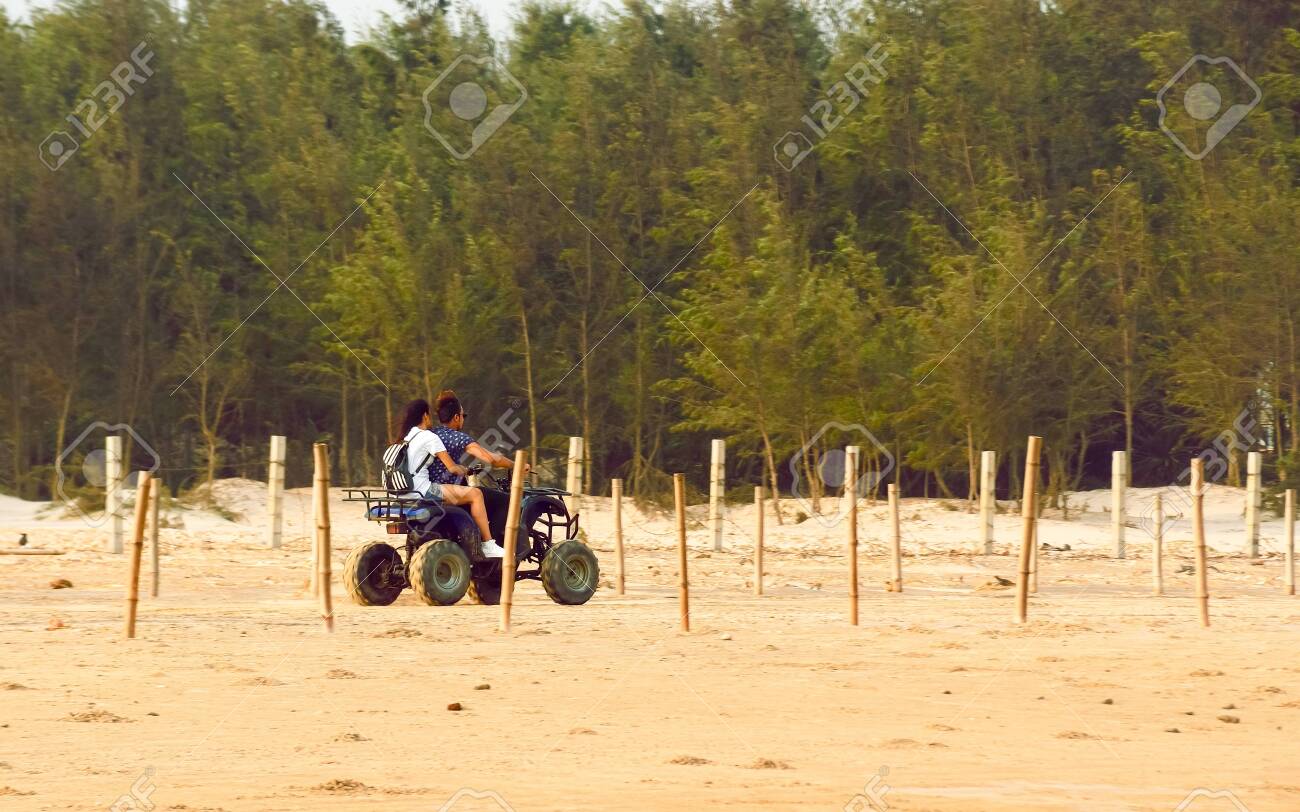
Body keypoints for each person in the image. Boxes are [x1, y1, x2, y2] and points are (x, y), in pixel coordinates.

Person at [392, 398, 504, 558]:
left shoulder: (407, 437)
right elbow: (452, 467)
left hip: (403, 494)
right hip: (424, 491)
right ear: (424, 416)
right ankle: (488, 545)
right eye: (429, 415)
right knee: (476, 494)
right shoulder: (430, 437)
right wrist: (464, 470)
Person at [429, 390, 530, 542]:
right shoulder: (458, 437)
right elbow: (491, 459)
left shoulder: (430, 433)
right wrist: (516, 465)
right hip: (446, 492)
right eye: (463, 416)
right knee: (505, 501)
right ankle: (492, 546)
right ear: (456, 417)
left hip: (426, 490)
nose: (463, 419)